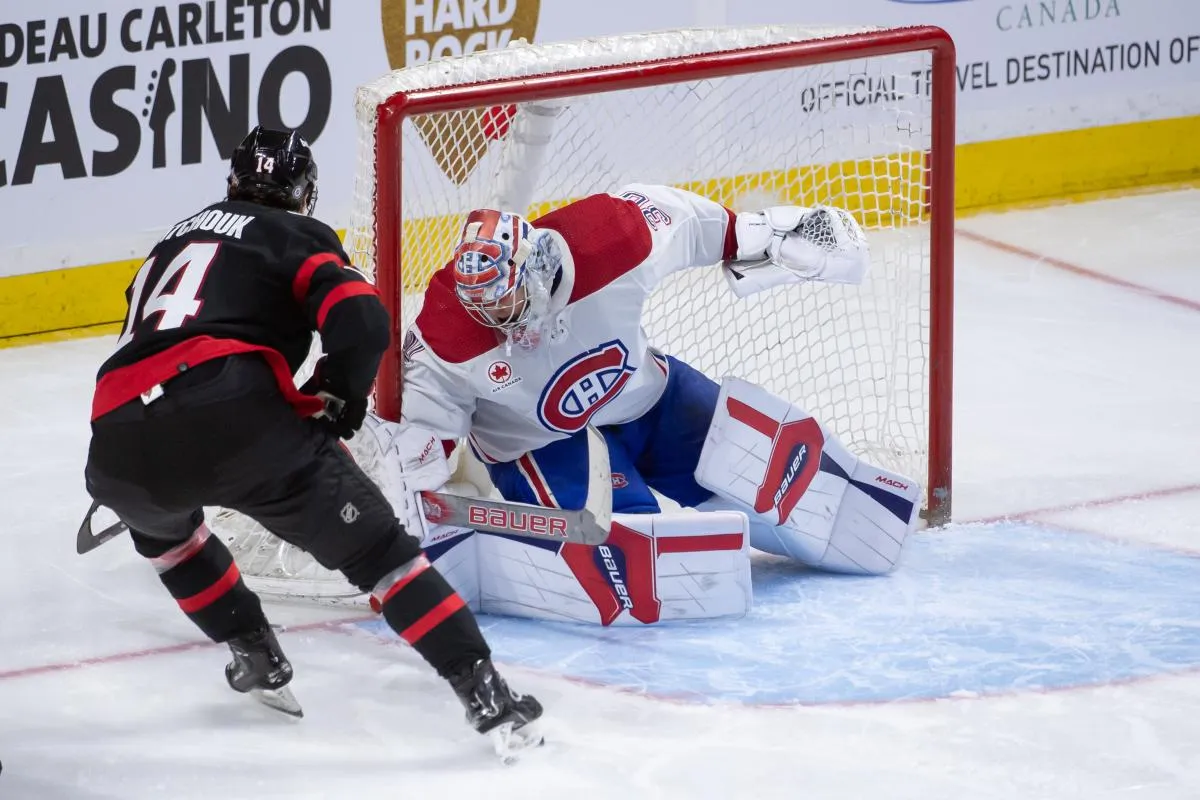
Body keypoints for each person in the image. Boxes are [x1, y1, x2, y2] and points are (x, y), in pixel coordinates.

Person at [83, 126, 542, 752]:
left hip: (114, 438)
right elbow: (362, 318)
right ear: (304, 191)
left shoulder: (169, 242)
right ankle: (484, 691)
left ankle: (255, 655)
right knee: (384, 557)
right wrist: (341, 397)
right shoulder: (295, 234)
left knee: (172, 542)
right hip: (234, 416)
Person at [390, 183, 922, 600]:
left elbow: (689, 223)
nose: (493, 321)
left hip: (644, 397)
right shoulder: (446, 334)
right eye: (481, 307)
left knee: (797, 485)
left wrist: (759, 234)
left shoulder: (611, 236)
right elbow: (425, 438)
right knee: (642, 559)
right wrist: (412, 504)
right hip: (541, 445)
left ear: (535, 267)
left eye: (503, 305)